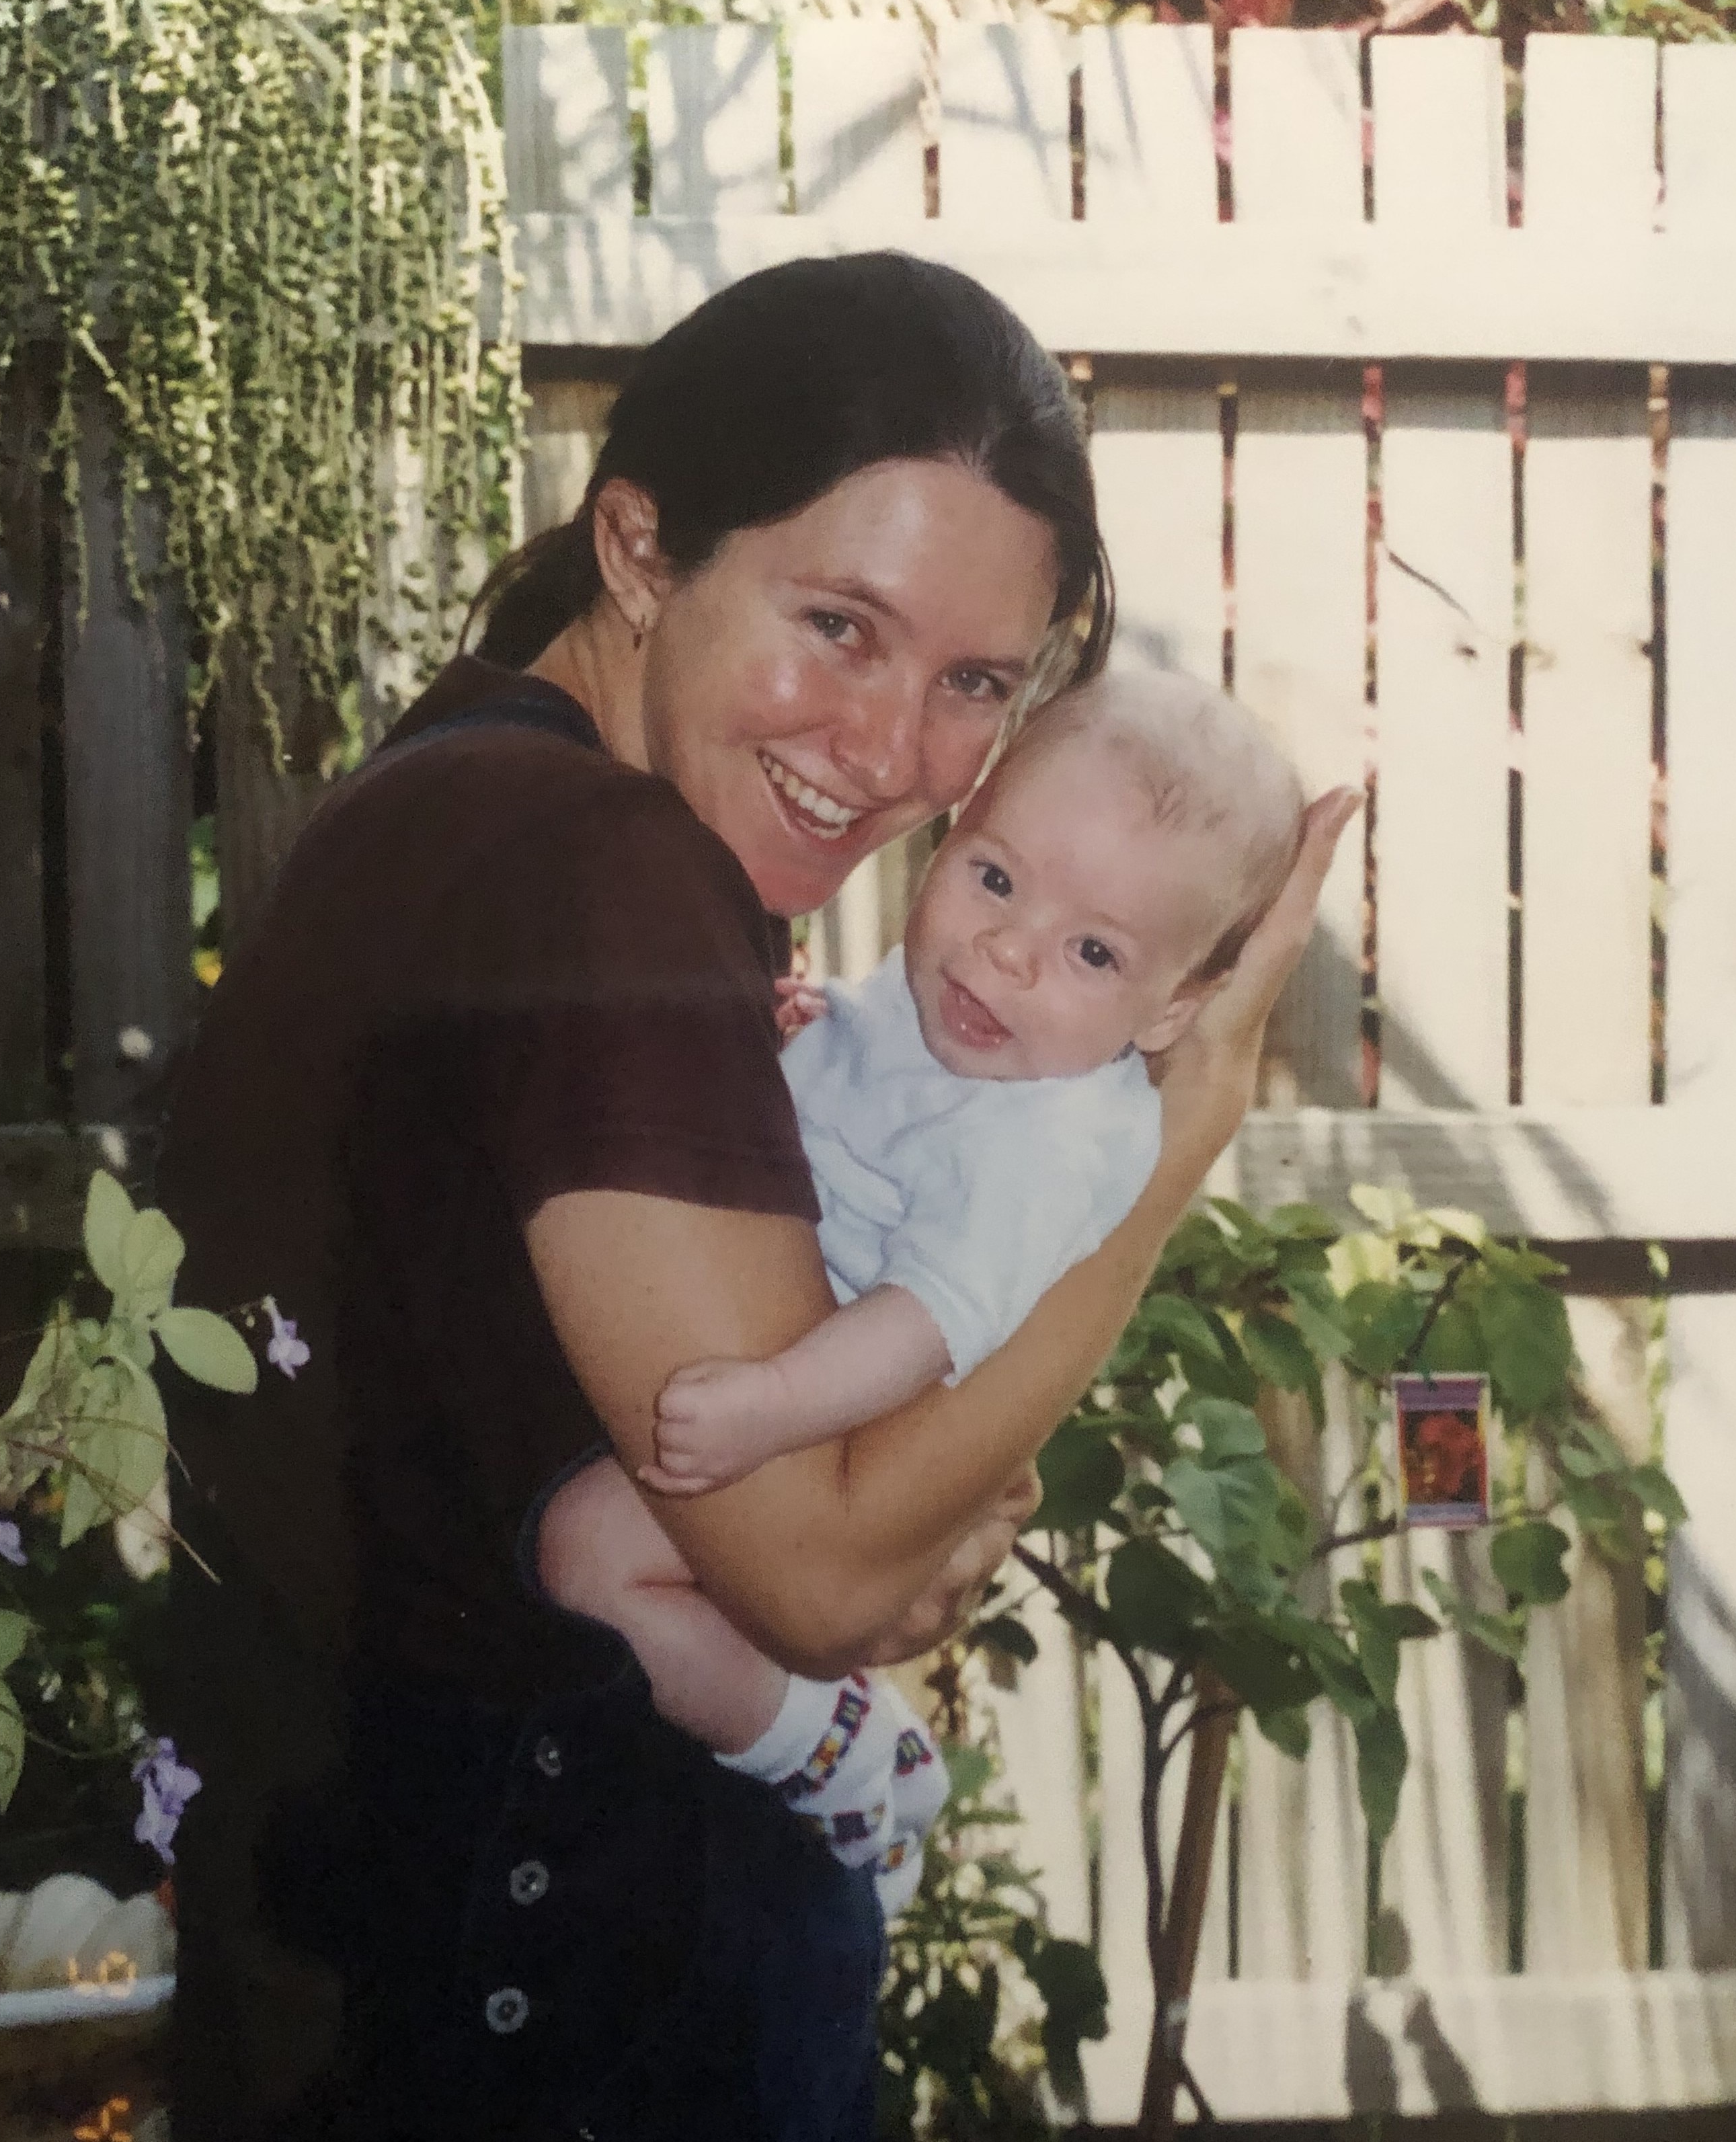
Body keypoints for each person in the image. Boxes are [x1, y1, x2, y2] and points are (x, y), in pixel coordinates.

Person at [153, 249, 1356, 2142]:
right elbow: (822, 1566)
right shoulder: (599, 874)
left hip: (378, 1968)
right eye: (838, 625)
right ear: (640, 549)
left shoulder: (458, 787)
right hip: (564, 2014)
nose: (890, 756)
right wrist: (1171, 1144)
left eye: (973, 679)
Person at [539, 669, 1303, 1915]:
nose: (1009, 949)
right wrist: (807, 1026)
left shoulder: (1050, 1137)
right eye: (996, 878)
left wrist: (776, 1400)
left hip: (840, 1403)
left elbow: (932, 1321)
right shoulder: (958, 1001)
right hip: (776, 1345)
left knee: (593, 1553)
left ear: (1173, 1008)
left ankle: (836, 1754)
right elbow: (873, 1074)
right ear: (960, 830)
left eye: (1094, 950)